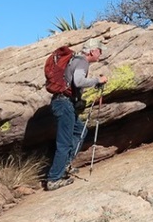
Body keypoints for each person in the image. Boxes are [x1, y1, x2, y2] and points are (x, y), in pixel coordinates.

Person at [46, 38, 109, 190]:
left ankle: (65, 164)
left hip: (64, 103)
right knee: (64, 142)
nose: (100, 54)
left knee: (80, 130)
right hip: (63, 104)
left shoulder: (76, 60)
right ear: (93, 51)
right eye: (99, 51)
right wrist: (97, 80)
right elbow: (79, 81)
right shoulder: (82, 61)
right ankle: (54, 178)